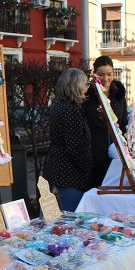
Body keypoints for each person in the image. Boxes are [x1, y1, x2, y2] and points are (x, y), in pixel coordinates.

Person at [44, 68, 93, 211]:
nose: (87, 87)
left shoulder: (59, 106)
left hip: (62, 170)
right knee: (72, 216)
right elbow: (74, 146)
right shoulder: (70, 110)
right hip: (70, 174)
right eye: (85, 84)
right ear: (76, 86)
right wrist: (86, 167)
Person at [82, 55, 127, 187]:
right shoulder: (88, 96)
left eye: (109, 74)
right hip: (94, 153)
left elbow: (123, 122)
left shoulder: (119, 95)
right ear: (94, 74)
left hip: (116, 151)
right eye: (101, 74)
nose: (106, 79)